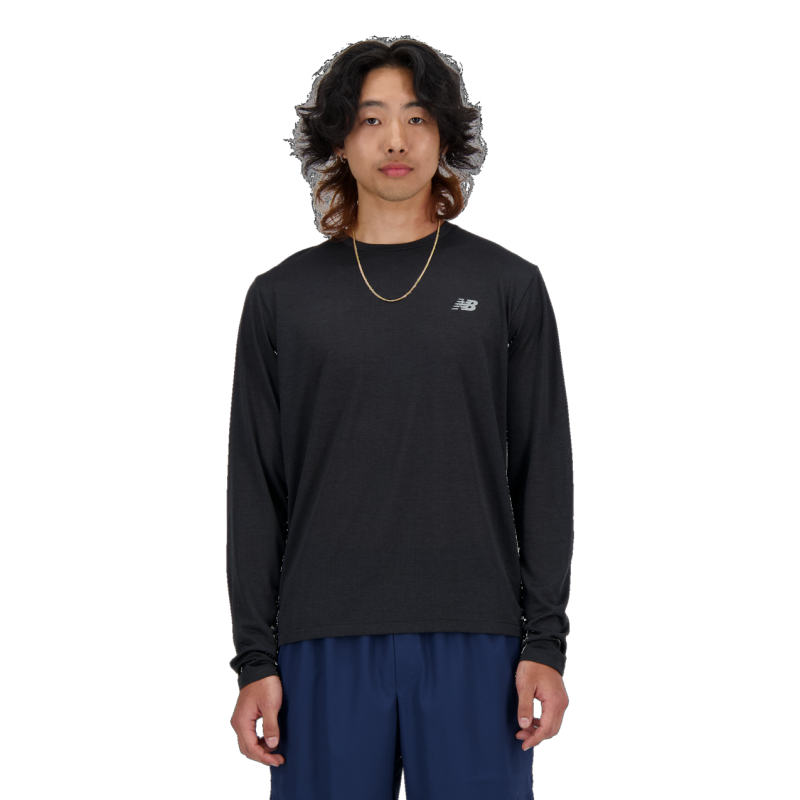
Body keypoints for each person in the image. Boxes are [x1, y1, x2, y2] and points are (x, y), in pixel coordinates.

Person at [227, 36, 573, 798]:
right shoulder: (280, 299)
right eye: (371, 118)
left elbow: (543, 474)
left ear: (445, 136)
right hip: (319, 643)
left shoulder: (510, 286)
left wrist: (544, 644)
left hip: (480, 641)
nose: (395, 140)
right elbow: (255, 490)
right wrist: (255, 658)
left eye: (417, 118)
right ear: (338, 140)